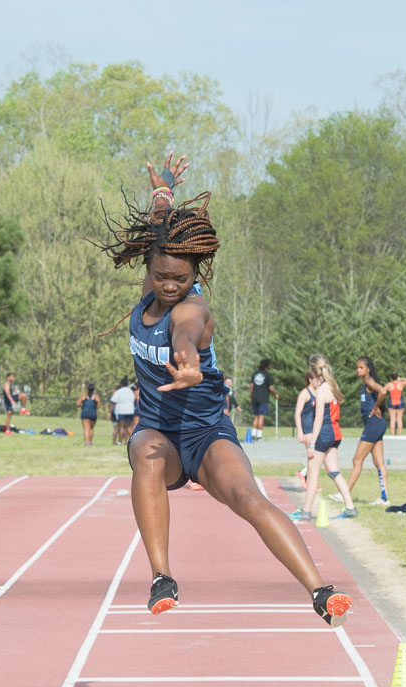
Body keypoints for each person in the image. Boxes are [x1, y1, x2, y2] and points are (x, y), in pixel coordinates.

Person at [102, 151, 351, 628]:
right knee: (146, 448)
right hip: (160, 431)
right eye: (160, 276)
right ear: (149, 270)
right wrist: (163, 191)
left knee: (250, 499)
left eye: (180, 278)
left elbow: (185, 335)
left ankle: (320, 590)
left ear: (197, 274)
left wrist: (190, 364)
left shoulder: (191, 311)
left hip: (206, 433)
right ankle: (162, 577)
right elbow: (159, 232)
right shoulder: (150, 291)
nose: (169, 286)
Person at [292, 355, 359, 521]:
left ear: (314, 372)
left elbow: (319, 419)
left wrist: (312, 444)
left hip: (324, 433)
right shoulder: (333, 385)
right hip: (336, 433)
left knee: (313, 472)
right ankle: (350, 507)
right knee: (333, 471)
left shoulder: (321, 390)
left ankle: (306, 511)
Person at [343, 356, 389, 505]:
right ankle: (384, 498)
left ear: (368, 369)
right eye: (357, 367)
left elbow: (382, 391)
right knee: (379, 462)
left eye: (361, 367)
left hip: (374, 424)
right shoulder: (365, 383)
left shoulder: (369, 381)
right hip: (377, 424)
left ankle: (345, 493)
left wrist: (376, 407)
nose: (358, 370)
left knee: (357, 460)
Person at [293, 370, 316, 488]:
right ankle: (304, 475)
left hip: (315, 429)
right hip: (307, 429)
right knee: (314, 457)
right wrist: (300, 432)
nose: (319, 381)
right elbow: (297, 413)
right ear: (310, 379)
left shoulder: (319, 392)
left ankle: (309, 480)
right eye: (316, 379)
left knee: (315, 458)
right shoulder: (305, 393)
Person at [249, 359, 277, 442]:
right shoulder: (267, 375)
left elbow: (251, 386)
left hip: (255, 397)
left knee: (256, 416)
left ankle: (253, 435)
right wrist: (275, 394)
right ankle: (259, 436)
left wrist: (251, 397)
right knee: (261, 416)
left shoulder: (255, 373)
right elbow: (271, 388)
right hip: (263, 398)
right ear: (267, 365)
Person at [109, 376, 136, 445]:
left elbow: (113, 402)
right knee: (128, 426)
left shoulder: (119, 391)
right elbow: (134, 399)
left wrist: (109, 412)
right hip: (130, 410)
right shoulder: (130, 391)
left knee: (121, 427)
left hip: (121, 411)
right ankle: (133, 440)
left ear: (121, 384)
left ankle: (120, 442)